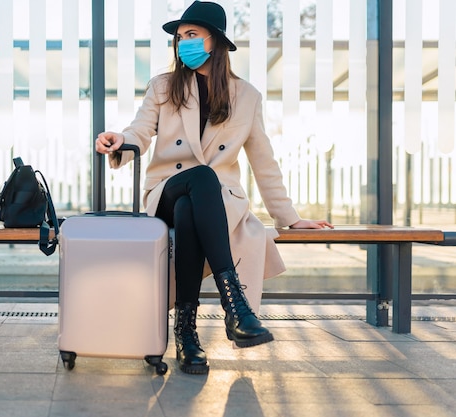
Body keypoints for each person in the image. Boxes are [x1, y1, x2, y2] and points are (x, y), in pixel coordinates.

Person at [95, 1, 333, 375]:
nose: (182, 44)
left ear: (215, 41)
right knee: (200, 178)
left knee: (195, 207)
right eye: (178, 38)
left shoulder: (246, 96)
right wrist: (119, 139)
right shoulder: (163, 87)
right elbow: (140, 132)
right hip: (166, 192)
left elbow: (263, 162)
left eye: (191, 35)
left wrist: (291, 218)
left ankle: (186, 335)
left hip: (214, 204)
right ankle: (235, 305)